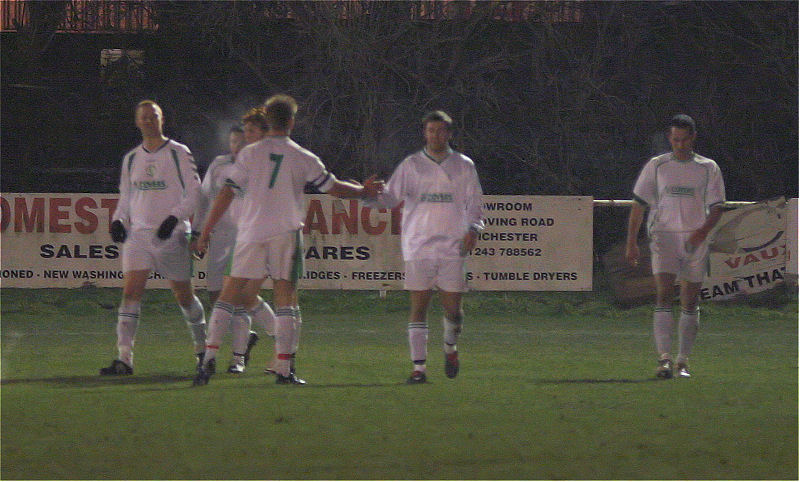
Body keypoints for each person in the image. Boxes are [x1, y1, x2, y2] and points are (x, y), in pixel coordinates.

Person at [192, 94, 383, 386]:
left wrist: (205, 231)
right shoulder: (302, 156)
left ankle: (206, 363)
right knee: (285, 297)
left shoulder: (249, 154)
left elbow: (226, 193)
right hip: (285, 233)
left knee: (229, 293)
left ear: (267, 121)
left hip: (250, 232)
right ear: (292, 122)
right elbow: (333, 188)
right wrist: (363, 191)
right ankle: (283, 369)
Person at [369, 110, 485, 384]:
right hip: (418, 245)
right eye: (431, 130)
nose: (435, 135)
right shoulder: (411, 165)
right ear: (425, 133)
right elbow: (390, 198)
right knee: (418, 306)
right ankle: (418, 368)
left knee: (453, 311)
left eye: (441, 130)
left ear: (449, 134)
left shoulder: (464, 165)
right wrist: (367, 193)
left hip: (452, 246)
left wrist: (474, 228)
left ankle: (450, 348)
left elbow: (475, 202)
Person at [100, 100, 206, 375]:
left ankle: (203, 349)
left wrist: (174, 217)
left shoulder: (178, 153)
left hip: (171, 236)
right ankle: (124, 358)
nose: (148, 121)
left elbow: (195, 192)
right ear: (137, 122)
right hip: (139, 236)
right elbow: (126, 196)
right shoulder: (132, 158)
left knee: (184, 296)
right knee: (130, 292)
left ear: (162, 120)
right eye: (144, 117)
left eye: (153, 116)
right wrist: (117, 220)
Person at [625, 114, 726, 379]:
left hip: (695, 239)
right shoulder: (657, 166)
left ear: (693, 138)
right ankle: (664, 359)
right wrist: (631, 242)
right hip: (663, 236)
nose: (679, 144)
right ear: (670, 138)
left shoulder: (708, 167)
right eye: (674, 139)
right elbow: (639, 205)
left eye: (684, 139)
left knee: (690, 300)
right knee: (663, 294)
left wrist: (701, 233)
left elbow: (718, 208)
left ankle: (683, 360)